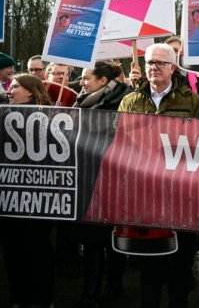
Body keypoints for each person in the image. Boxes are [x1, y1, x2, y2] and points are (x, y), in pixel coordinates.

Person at [118, 43, 199, 308]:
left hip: (181, 197)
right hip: (145, 197)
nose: (153, 67)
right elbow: (119, 143)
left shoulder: (192, 101)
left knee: (179, 267)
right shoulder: (130, 101)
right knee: (149, 269)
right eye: (149, 63)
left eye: (159, 63)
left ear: (173, 67)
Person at [71, 61, 132, 307]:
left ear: (103, 81)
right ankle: (90, 294)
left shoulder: (125, 101)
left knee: (112, 240)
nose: (81, 83)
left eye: (86, 78)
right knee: (92, 239)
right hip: (88, 177)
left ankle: (114, 285)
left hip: (115, 179)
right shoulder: (80, 102)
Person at [0, 74, 55, 308]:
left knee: (32, 251)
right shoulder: (4, 115)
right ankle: (23, 299)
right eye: (10, 87)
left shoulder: (51, 118)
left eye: (15, 87)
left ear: (31, 92)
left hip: (34, 199)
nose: (9, 91)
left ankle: (34, 300)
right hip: (11, 197)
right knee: (16, 252)